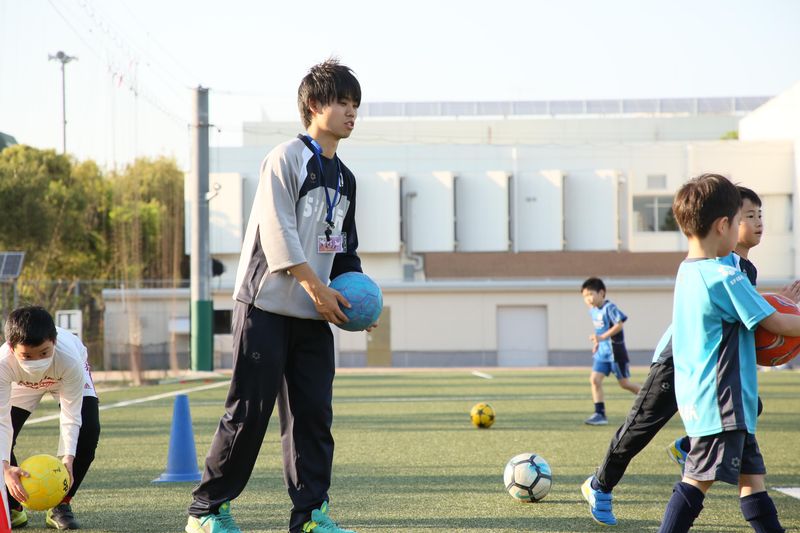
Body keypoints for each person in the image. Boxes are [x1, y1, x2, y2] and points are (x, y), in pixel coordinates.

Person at [185, 59, 370, 533]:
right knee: (249, 412)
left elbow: (343, 251)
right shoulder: (285, 157)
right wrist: (316, 287)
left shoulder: (346, 178)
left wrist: (357, 304)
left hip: (313, 314)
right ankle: (206, 511)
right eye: (342, 102)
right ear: (314, 105)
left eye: (355, 104)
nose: (352, 112)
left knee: (313, 417)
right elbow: (277, 233)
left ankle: (310, 516)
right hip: (264, 306)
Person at [580, 185, 800, 526]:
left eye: (760, 215)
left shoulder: (716, 268)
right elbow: (767, 321)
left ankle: (688, 445)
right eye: (747, 215)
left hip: (718, 376)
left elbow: (751, 322)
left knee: (751, 461)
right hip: (685, 363)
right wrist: (781, 314)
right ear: (725, 224)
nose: (758, 222)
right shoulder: (722, 271)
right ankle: (601, 484)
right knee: (643, 429)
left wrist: (778, 306)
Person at [652, 174, 800, 532]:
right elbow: (776, 324)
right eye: (738, 221)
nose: (740, 229)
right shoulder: (725, 276)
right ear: (723, 226)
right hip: (722, 403)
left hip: (717, 401)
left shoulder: (688, 271)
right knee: (696, 482)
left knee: (753, 483)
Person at [1, 306, 101, 530]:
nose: (37, 361)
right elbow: (1, 422)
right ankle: (13, 506)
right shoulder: (2, 364)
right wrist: (4, 469)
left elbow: (71, 414)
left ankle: (61, 504)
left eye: (44, 353)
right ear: (11, 347)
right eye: (27, 355)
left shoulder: (70, 359)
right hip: (21, 382)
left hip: (63, 377)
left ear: (54, 342)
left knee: (88, 430)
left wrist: (68, 458)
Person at [580, 278, 641, 426]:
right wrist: (597, 342)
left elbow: (619, 325)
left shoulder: (610, 307)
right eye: (585, 296)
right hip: (602, 354)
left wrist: (602, 337)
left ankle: (653, 400)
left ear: (601, 293)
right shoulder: (593, 311)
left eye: (590, 294)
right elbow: (599, 330)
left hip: (615, 352)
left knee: (625, 384)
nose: (588, 299)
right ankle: (600, 414)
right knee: (594, 380)